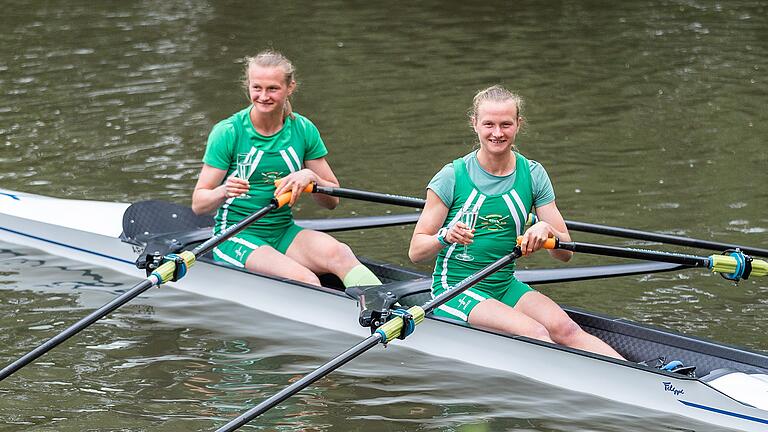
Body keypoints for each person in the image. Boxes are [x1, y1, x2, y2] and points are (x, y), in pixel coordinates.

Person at [408, 85, 624, 360]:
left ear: (518, 125)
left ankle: (643, 380)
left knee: (566, 329)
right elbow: (416, 251)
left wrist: (547, 231)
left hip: (504, 283)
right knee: (535, 332)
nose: (497, 133)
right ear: (474, 124)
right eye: (489, 124)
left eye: (505, 124)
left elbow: (566, 252)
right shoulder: (451, 176)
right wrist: (445, 235)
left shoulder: (533, 174)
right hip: (456, 289)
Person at [192, 50, 381, 288]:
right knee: (306, 279)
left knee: (341, 254)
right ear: (248, 87)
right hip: (235, 234)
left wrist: (311, 178)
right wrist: (223, 190)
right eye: (256, 88)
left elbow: (332, 200)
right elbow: (199, 204)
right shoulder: (228, 132)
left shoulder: (303, 129)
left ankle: (387, 311)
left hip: (283, 230)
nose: (263, 96)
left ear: (290, 87)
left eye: (272, 89)